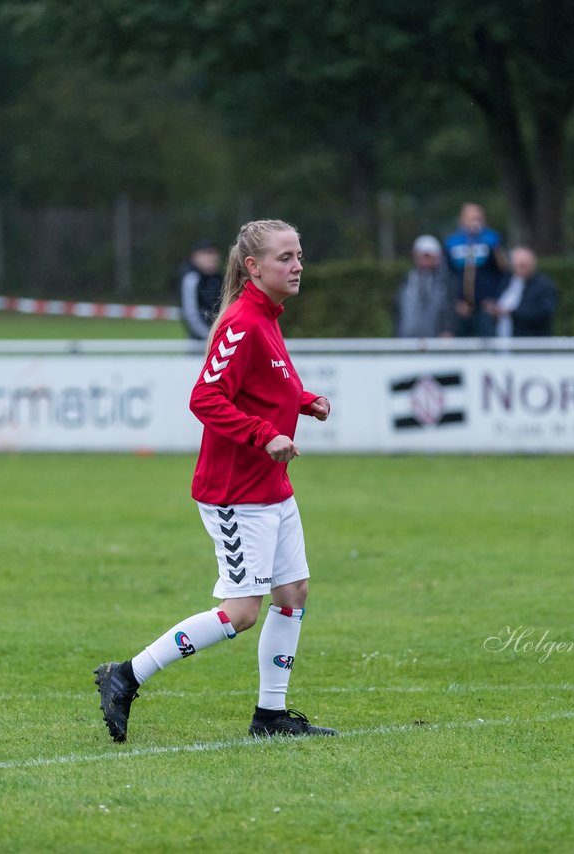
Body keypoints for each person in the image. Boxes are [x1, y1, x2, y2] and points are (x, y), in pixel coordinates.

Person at [95, 219, 337, 742]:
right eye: (285, 258)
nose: (297, 266)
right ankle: (126, 675)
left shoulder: (268, 317)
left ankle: (270, 717)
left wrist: (303, 401)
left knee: (293, 591)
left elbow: (267, 382)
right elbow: (205, 398)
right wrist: (262, 434)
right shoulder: (243, 321)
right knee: (241, 612)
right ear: (253, 267)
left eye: (299, 255)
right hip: (237, 492)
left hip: (271, 486)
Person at [444, 202, 507, 337]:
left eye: (477, 217)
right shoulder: (452, 242)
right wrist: (456, 301)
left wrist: (494, 299)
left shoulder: (492, 240)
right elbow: (447, 275)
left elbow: (503, 272)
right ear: (462, 219)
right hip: (461, 307)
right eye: (470, 217)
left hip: (485, 307)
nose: (474, 221)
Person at [393, 235, 457, 338]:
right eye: (422, 255)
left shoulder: (446, 280)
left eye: (428, 256)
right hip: (407, 336)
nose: (425, 259)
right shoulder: (407, 279)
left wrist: (448, 329)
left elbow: (451, 308)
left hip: (436, 337)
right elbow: (398, 309)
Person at [486, 246, 558, 337]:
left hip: (529, 341)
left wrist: (512, 313)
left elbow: (545, 312)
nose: (521, 269)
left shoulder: (544, 285)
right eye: (518, 265)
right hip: (502, 337)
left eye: (524, 265)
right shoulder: (506, 281)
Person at [177, 239, 224, 340]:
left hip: (222, 339)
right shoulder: (191, 278)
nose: (211, 258)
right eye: (206, 254)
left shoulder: (221, 278)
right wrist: (210, 337)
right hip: (200, 341)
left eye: (213, 253)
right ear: (194, 257)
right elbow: (191, 314)